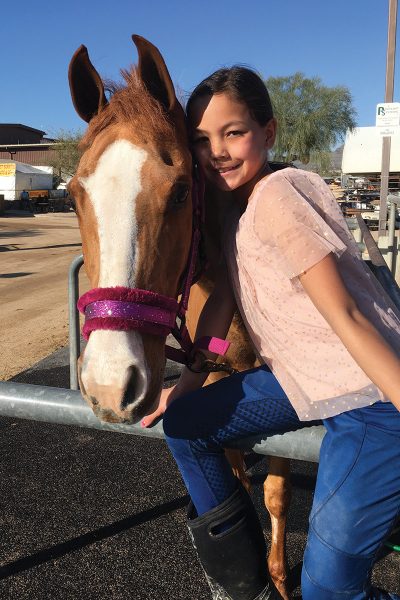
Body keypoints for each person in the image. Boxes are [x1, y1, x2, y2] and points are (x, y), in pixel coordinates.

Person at [142, 67, 400, 600]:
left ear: (270, 131)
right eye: (201, 139)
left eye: (233, 132)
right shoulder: (239, 213)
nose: (217, 151)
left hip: (371, 397)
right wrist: (186, 388)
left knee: (329, 588)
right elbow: (217, 318)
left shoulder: (280, 196)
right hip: (301, 381)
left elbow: (347, 315)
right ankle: (244, 585)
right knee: (187, 425)